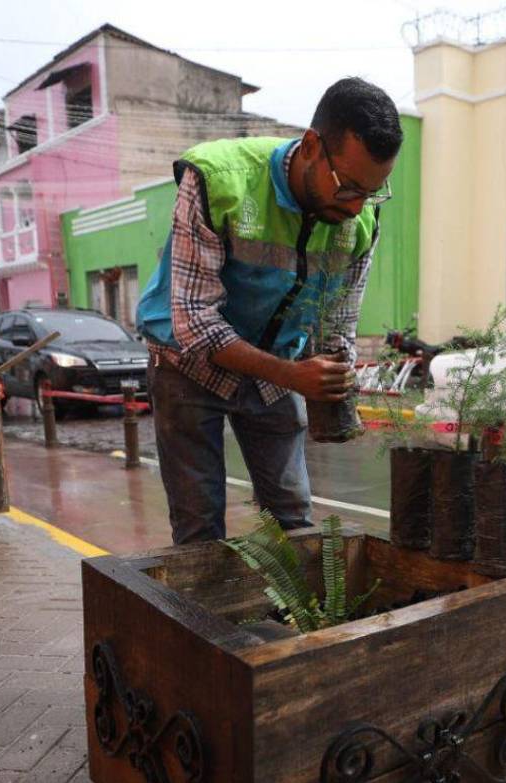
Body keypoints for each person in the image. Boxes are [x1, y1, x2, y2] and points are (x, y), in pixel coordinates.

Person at [137, 78, 402, 544]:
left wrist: (334, 384)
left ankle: (297, 615)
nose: (358, 205)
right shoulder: (217, 180)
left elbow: (337, 321)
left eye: (372, 192)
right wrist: (293, 376)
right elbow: (195, 320)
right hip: (186, 365)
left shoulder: (358, 221)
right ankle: (205, 616)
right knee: (200, 526)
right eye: (347, 188)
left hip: (276, 371)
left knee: (295, 518)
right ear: (312, 146)